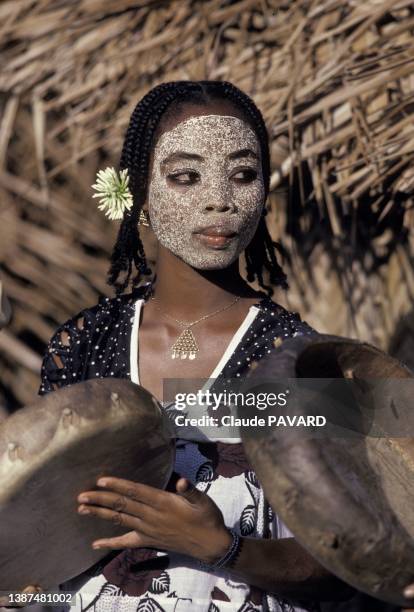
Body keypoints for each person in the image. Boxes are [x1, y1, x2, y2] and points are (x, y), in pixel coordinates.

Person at [35, 80, 357, 612]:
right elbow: (41, 532)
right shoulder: (83, 344)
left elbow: (349, 564)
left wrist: (221, 547)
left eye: (243, 175)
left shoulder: (300, 360)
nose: (219, 200)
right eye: (185, 176)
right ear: (138, 189)